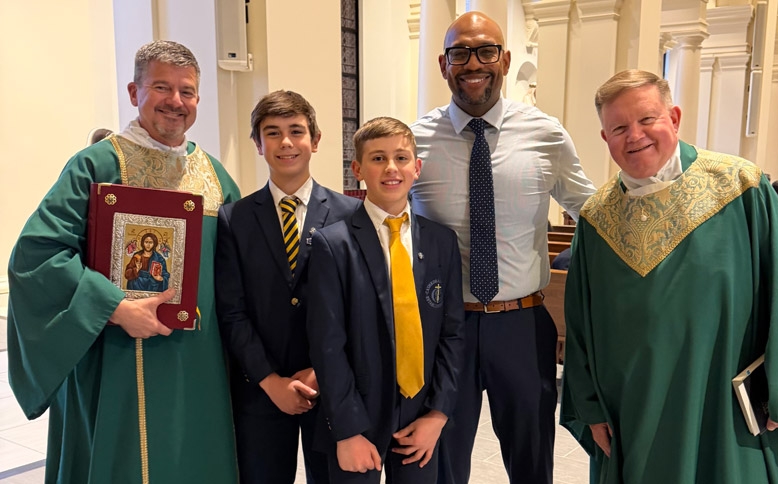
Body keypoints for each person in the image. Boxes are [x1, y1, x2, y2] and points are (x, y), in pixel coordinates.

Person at [560, 69, 778, 484]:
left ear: (674, 118)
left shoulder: (740, 187)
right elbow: (581, 323)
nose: (635, 136)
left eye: (647, 120)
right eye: (619, 127)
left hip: (723, 404)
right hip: (631, 408)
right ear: (605, 139)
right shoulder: (596, 218)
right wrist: (590, 409)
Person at [6, 40, 241, 483]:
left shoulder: (214, 175)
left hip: (199, 362)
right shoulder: (96, 166)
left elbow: (244, 271)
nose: (176, 101)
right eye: (162, 88)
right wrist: (114, 307)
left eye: (187, 91)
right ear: (134, 93)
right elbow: (36, 256)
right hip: (113, 356)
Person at [409, 11, 596, 484]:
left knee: (531, 457)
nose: (474, 63)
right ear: (443, 63)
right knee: (442, 459)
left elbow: (591, 212)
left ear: (506, 59)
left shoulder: (546, 134)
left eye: (487, 51)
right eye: (460, 53)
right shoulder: (413, 141)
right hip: (442, 326)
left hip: (521, 322)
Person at [306, 117, 465, 483]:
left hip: (420, 415)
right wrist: (346, 431)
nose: (391, 168)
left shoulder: (441, 242)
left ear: (417, 167)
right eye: (377, 159)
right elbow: (327, 345)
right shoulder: (333, 244)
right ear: (358, 169)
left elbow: (453, 334)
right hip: (357, 418)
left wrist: (437, 414)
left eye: (401, 158)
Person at [215, 90, 360, 483]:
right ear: (258, 145)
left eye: (296, 131)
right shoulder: (235, 219)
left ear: (315, 139)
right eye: (272, 133)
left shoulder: (350, 215)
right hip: (261, 389)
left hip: (332, 387)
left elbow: (358, 307)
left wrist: (322, 370)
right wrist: (271, 381)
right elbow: (232, 310)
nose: (286, 143)